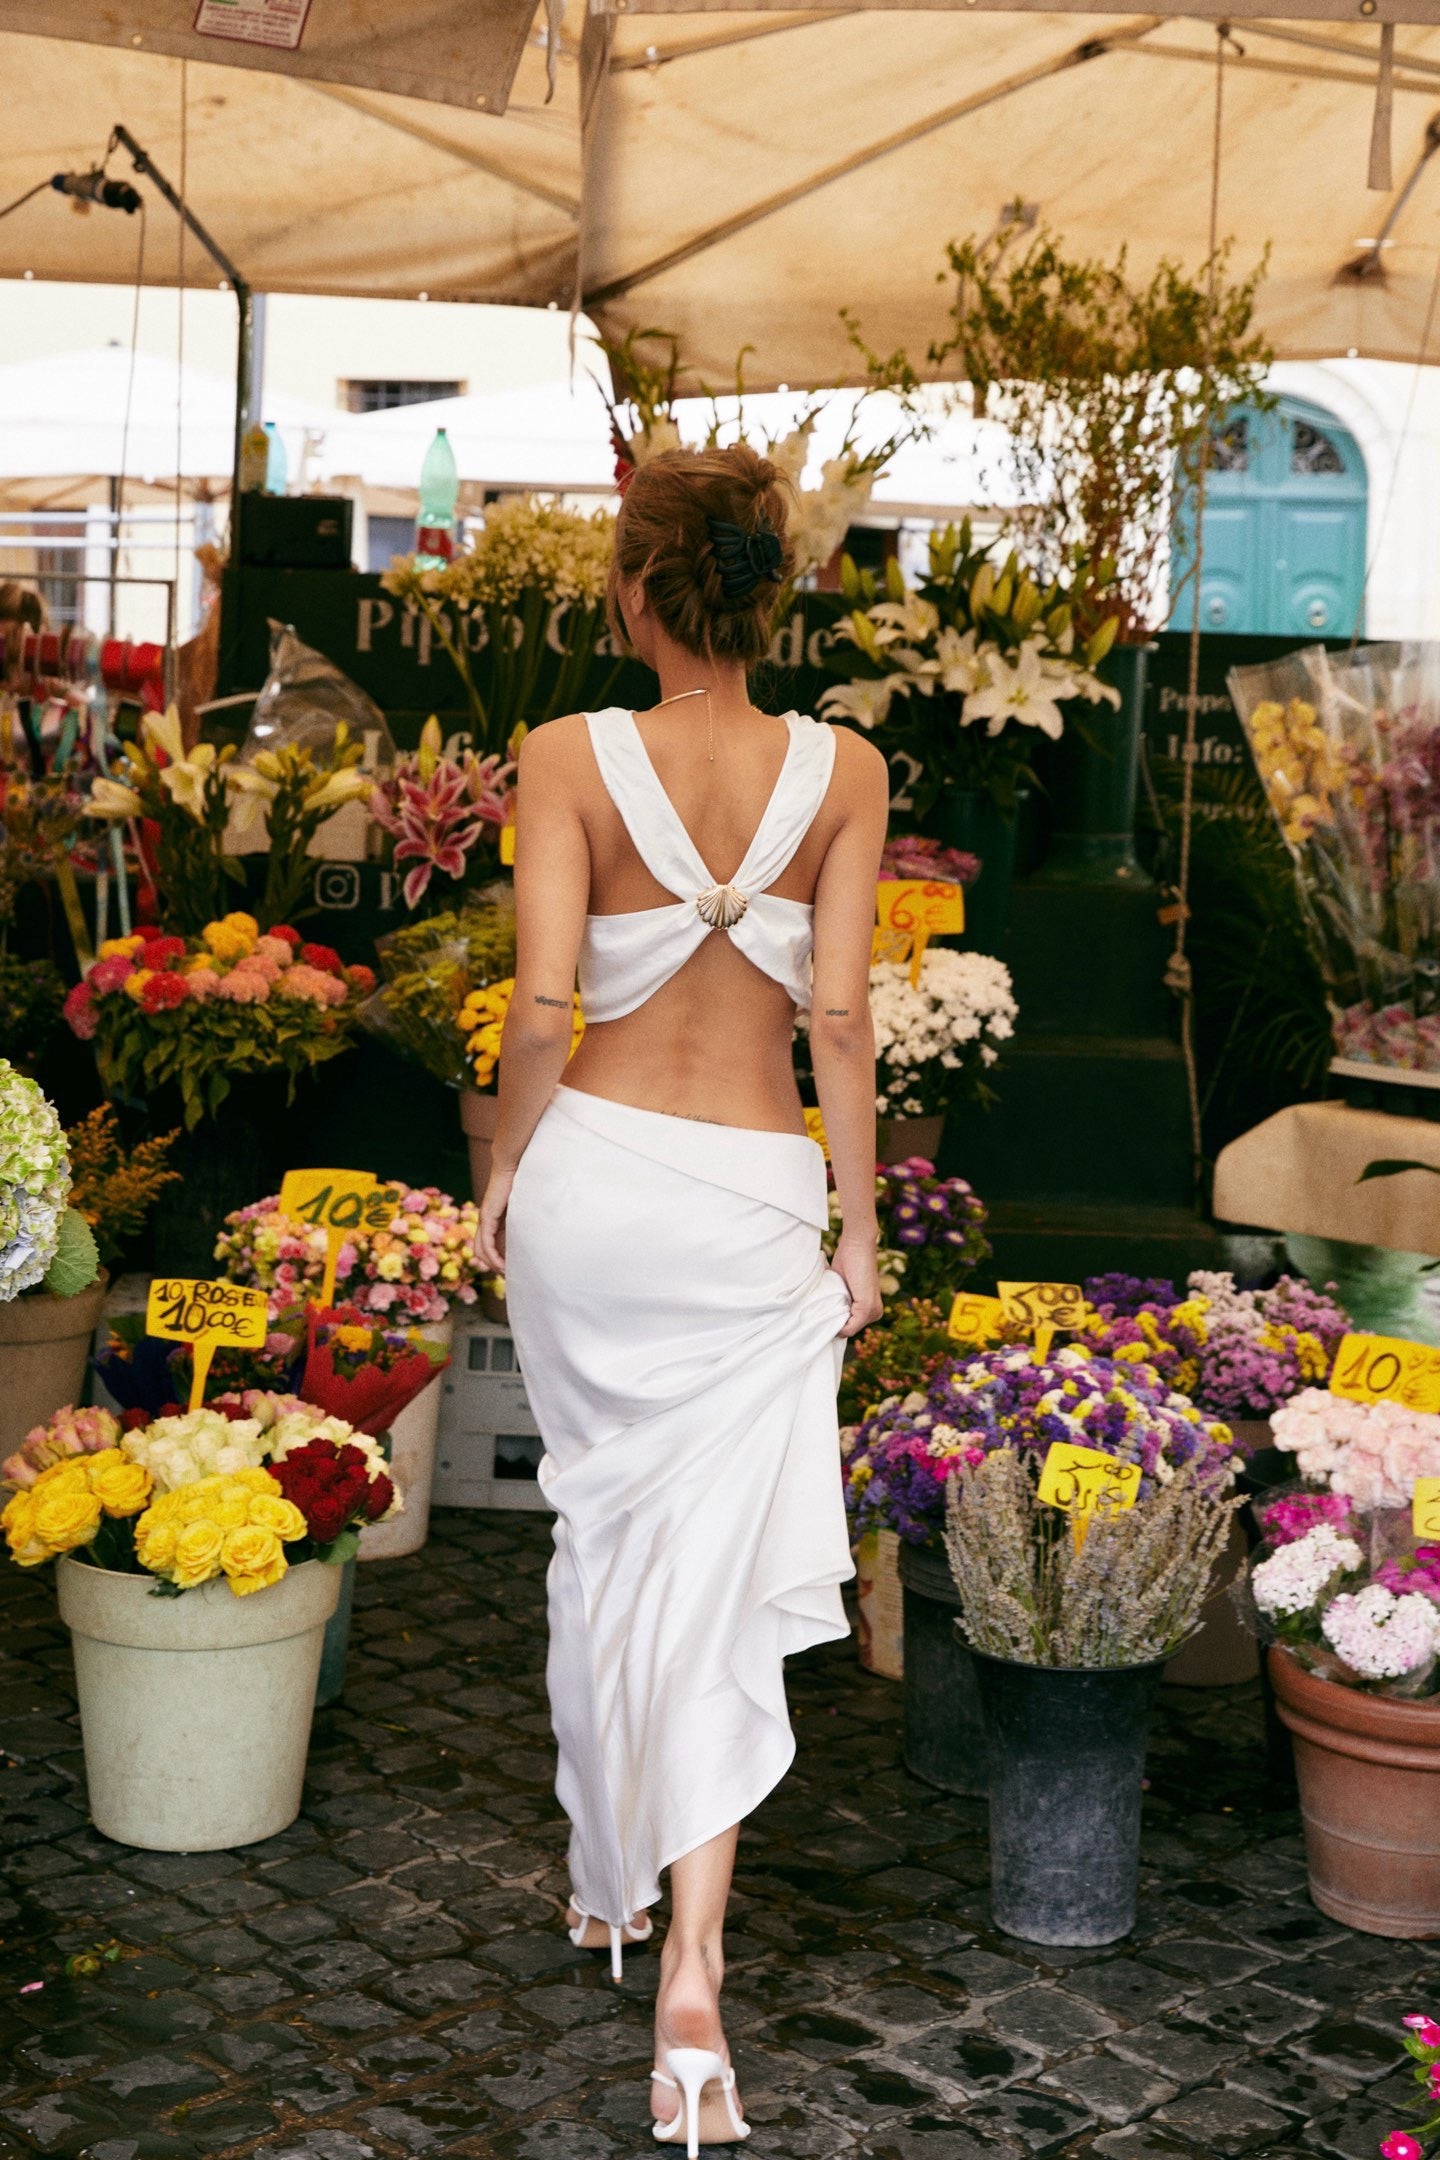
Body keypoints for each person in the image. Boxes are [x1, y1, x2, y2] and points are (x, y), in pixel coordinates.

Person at [476, 443, 888, 2151]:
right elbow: (846, 1020)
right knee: (714, 1575)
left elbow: (547, 1013)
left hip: (597, 1188)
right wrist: (862, 1233)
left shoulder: (563, 755)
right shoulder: (849, 770)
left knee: (600, 1531)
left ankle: (602, 1884)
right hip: (749, 1200)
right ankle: (694, 1977)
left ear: (633, 589)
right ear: (773, 592)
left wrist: (499, 1170)